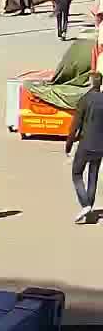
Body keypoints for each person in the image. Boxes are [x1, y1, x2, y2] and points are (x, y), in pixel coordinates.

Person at [66, 72, 103, 223]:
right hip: (101, 146)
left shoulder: (85, 100)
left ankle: (85, 204)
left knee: (77, 174)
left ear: (89, 83)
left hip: (86, 144)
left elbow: (75, 125)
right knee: (93, 176)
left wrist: (68, 144)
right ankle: (89, 207)